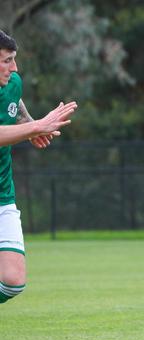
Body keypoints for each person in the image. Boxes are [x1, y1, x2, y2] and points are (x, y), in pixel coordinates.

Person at [0, 29, 77, 304]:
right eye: (7, 60)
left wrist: (29, 124)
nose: (15, 67)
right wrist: (37, 126)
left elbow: (13, 102)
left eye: (14, 59)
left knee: (12, 282)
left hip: (2, 194)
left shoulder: (13, 82)